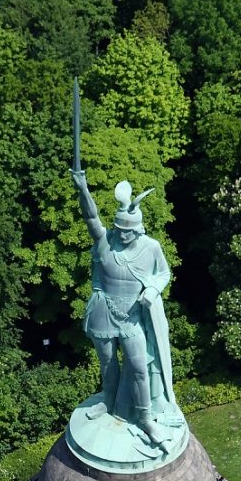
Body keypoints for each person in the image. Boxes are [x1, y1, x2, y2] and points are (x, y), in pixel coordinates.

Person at [72, 171, 178, 446]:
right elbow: (91, 217)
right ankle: (108, 401)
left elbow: (164, 274)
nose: (124, 234)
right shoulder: (106, 242)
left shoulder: (152, 247)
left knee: (139, 367)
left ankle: (145, 419)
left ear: (139, 228)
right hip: (104, 313)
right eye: (120, 229)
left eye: (129, 231)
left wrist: (153, 289)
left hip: (132, 319)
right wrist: (83, 187)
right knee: (108, 364)